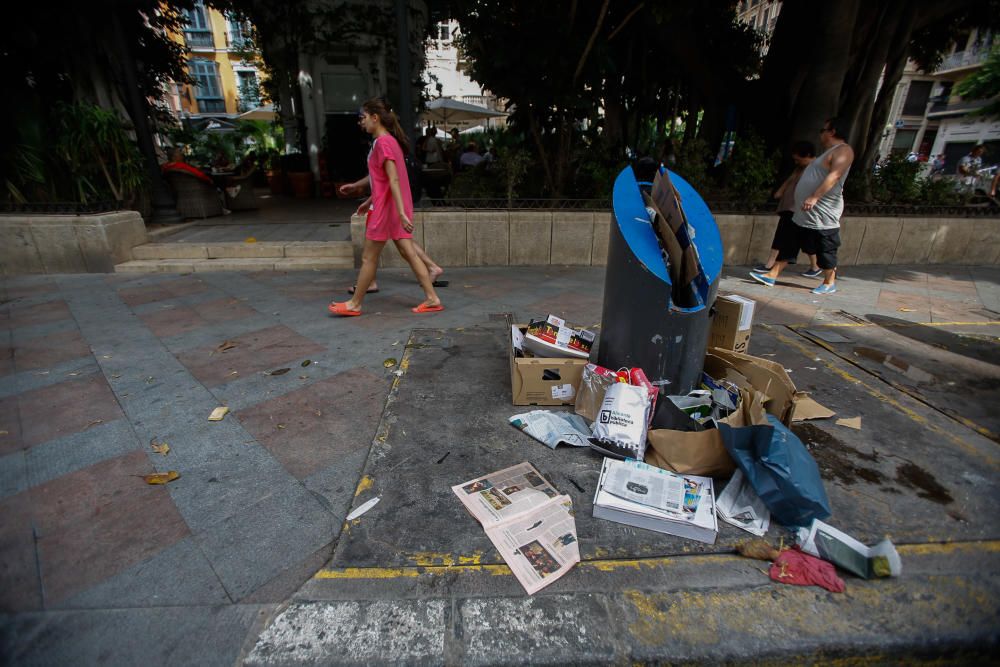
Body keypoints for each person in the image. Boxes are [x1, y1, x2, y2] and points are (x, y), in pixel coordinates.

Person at [329, 98, 443, 316]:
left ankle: (355, 303)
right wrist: (366, 197)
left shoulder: (383, 143)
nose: (360, 123)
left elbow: (394, 181)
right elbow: (383, 180)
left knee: (368, 258)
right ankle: (432, 298)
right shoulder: (387, 142)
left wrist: (399, 212)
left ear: (375, 117)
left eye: (362, 118)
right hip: (389, 207)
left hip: (387, 211)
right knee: (409, 254)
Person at [750, 117, 854, 295]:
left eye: (823, 130)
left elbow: (835, 175)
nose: (821, 133)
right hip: (804, 212)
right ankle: (772, 274)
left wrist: (815, 196)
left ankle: (829, 282)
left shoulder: (843, 150)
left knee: (825, 246)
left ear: (832, 131)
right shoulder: (828, 151)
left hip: (822, 211)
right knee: (791, 241)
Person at [752, 141, 820, 276]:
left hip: (800, 208)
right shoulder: (802, 167)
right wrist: (781, 191)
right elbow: (791, 179)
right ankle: (815, 266)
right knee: (798, 238)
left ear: (807, 155)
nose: (796, 162)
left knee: (791, 237)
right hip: (791, 206)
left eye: (798, 159)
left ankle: (772, 268)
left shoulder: (817, 168)